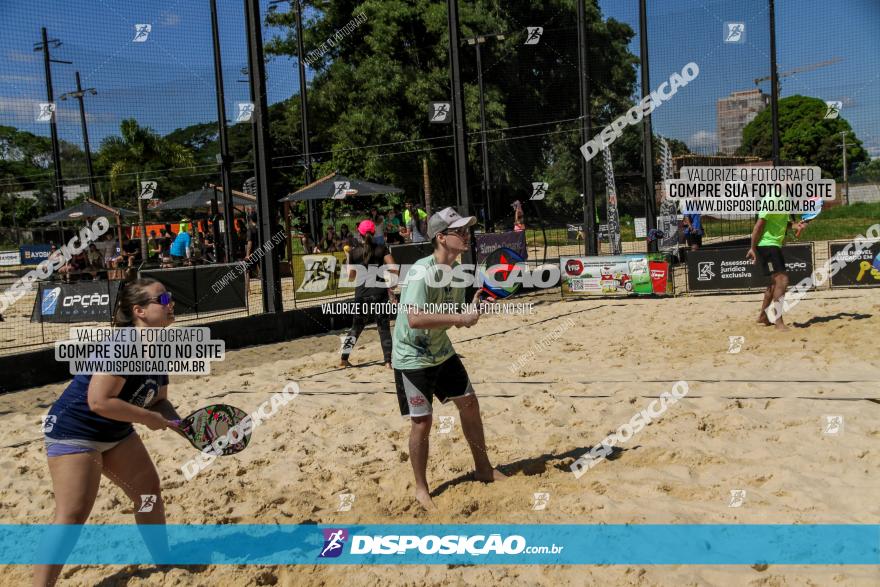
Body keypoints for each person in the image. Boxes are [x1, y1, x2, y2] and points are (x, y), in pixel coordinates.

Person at [33, 278, 179, 587]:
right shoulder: (124, 345)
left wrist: (188, 429)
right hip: (76, 429)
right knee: (72, 514)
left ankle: (165, 562)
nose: (170, 303)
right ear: (139, 311)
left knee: (148, 492)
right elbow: (98, 401)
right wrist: (148, 418)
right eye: (162, 299)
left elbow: (160, 400)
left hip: (115, 431)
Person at [392, 206, 506, 510]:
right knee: (422, 423)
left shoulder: (456, 274)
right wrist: (460, 317)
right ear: (441, 237)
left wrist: (473, 309)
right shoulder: (421, 271)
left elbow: (450, 315)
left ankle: (483, 468)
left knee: (469, 403)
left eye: (467, 229)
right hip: (411, 356)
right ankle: (421, 488)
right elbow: (415, 318)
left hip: (440, 351)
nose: (467, 235)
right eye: (460, 231)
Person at [339, 219, 398, 369]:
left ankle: (344, 359)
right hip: (379, 293)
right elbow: (394, 268)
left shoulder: (353, 252)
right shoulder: (381, 249)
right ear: (374, 232)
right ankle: (388, 362)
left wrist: (347, 257)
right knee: (383, 327)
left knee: (355, 328)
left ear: (359, 233)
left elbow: (351, 276)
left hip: (361, 294)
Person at [746, 189, 805, 331]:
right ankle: (778, 322)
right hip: (767, 245)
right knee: (782, 280)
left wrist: (795, 226)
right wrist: (752, 248)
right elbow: (759, 225)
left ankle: (763, 316)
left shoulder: (785, 199)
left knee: (774, 283)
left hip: (773, 245)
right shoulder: (771, 198)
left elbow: (782, 223)